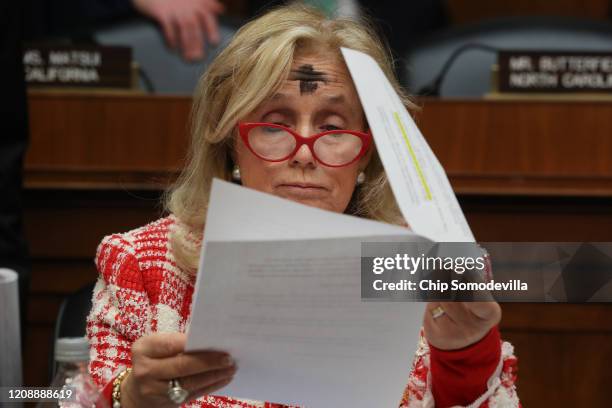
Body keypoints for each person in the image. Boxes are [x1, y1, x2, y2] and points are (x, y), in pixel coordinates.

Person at [87, 4, 520, 407]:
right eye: (276, 125)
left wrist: (463, 360)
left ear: (368, 152)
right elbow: (88, 397)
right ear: (231, 142)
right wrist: (129, 397)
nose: (305, 153)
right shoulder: (143, 264)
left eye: (332, 127)